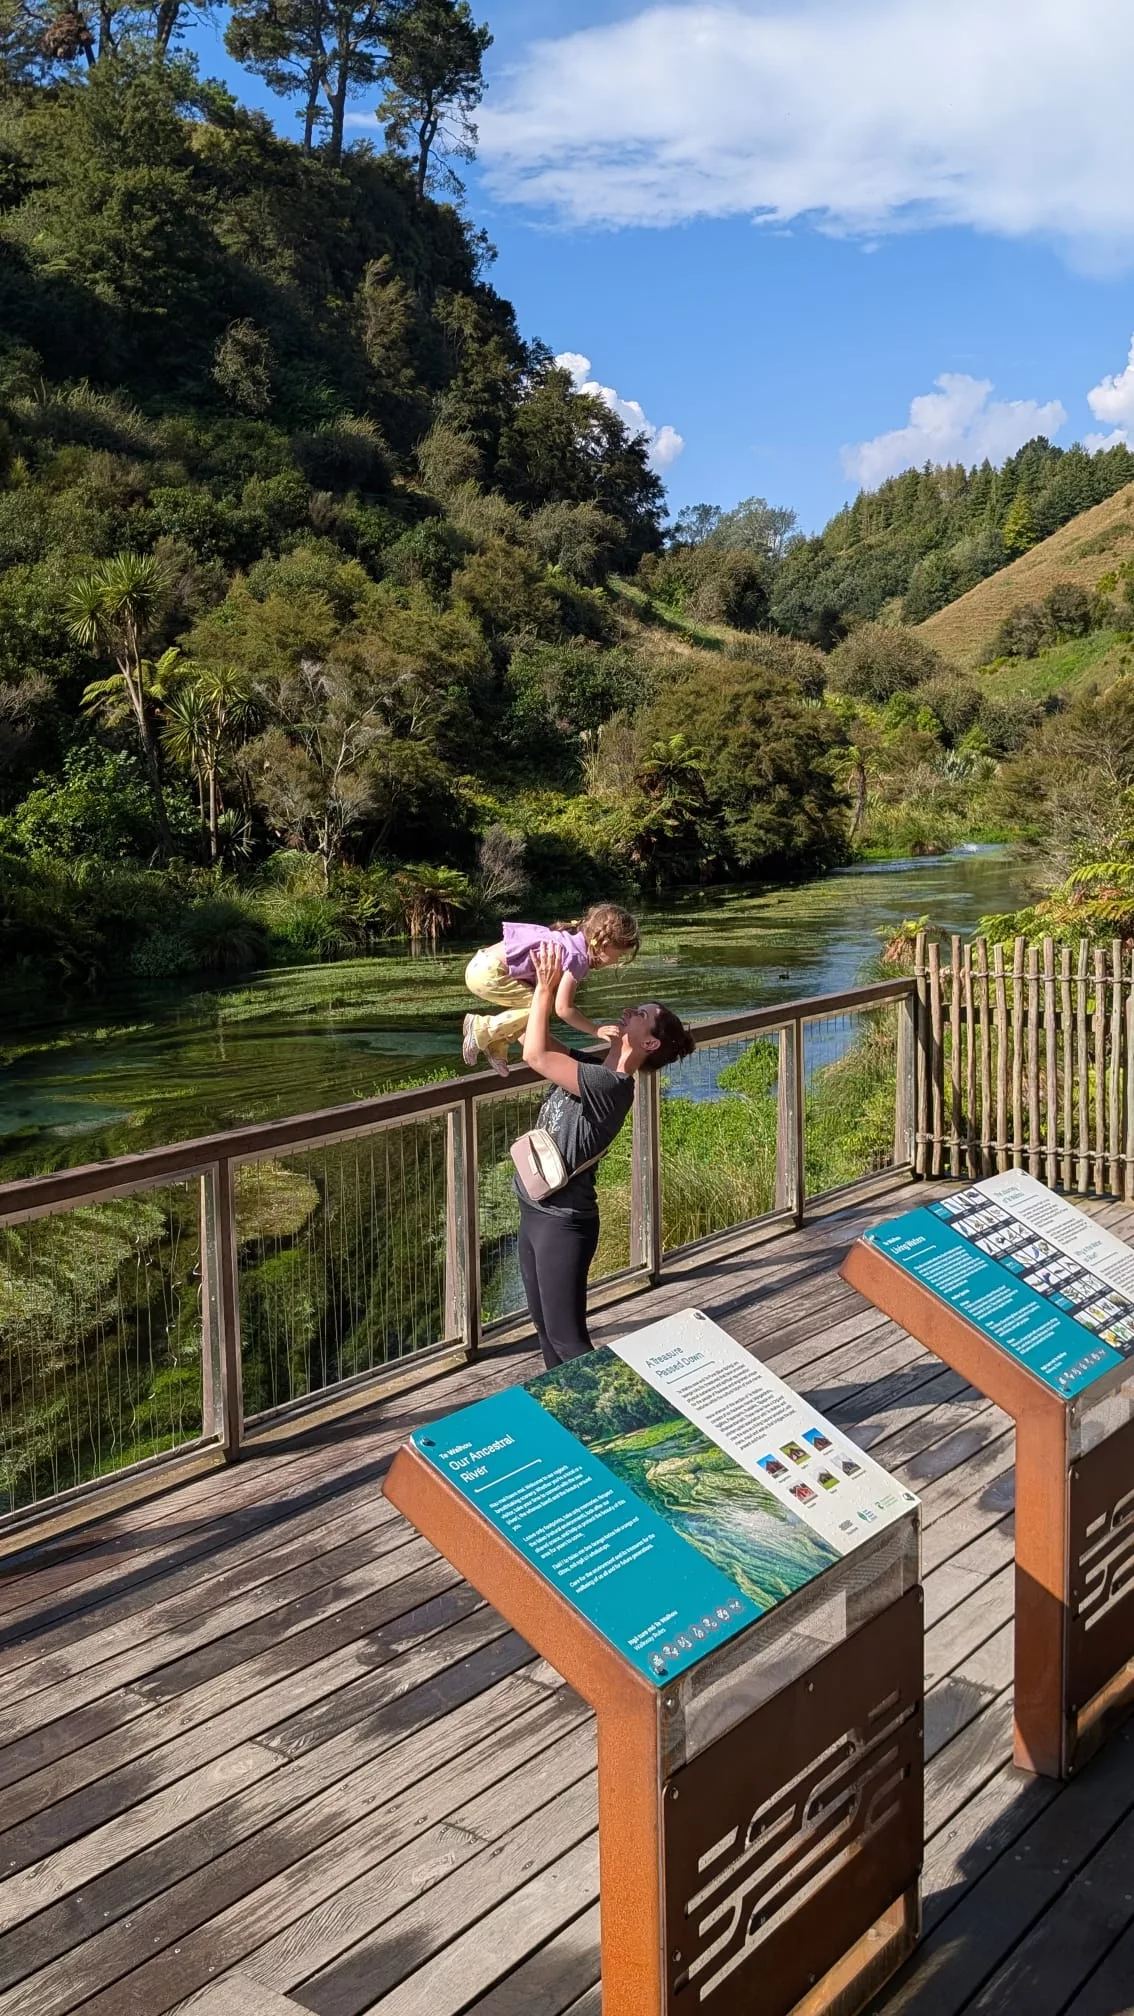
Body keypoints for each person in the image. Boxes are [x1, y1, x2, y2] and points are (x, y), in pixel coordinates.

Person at [516, 941, 695, 1369]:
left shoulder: (611, 1086)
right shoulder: (591, 1066)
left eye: (641, 1014)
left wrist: (546, 990)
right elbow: (528, 1034)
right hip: (535, 1208)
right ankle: (563, 1407)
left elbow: (535, 1054)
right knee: (546, 1332)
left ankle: (614, 1408)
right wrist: (526, 980)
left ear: (650, 1042)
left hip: (563, 1222)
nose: (628, 1011)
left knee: (569, 1340)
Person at [461, 903, 640, 1077]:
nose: (616, 961)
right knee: (541, 1007)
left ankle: (496, 1043)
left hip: (481, 964)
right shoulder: (577, 957)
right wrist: (595, 1029)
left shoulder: (570, 941)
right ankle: (481, 1028)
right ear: (604, 944)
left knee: (537, 1006)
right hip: (490, 973)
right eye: (619, 955)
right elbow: (563, 1009)